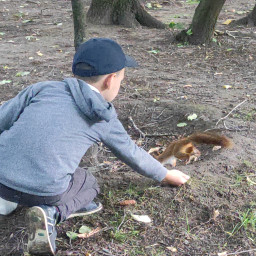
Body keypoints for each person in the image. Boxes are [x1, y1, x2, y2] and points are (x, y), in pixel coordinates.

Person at [0, 38, 190, 255]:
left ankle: (6, 201)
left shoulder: (41, 89)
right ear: (110, 80)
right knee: (88, 182)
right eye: (121, 79)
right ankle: (52, 212)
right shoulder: (101, 115)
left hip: (1, 176)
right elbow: (131, 152)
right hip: (44, 190)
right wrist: (165, 174)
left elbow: (2, 121)